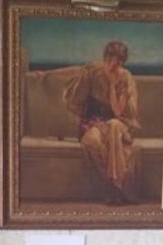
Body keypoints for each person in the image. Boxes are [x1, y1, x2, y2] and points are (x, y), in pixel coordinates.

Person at [38, 41, 142, 203]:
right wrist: (48, 73)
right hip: (93, 123)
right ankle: (109, 189)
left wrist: (112, 85)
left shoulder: (124, 77)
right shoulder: (94, 70)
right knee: (91, 142)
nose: (113, 65)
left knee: (114, 128)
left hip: (117, 124)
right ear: (106, 58)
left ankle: (118, 187)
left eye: (118, 62)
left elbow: (118, 112)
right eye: (111, 60)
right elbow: (75, 71)